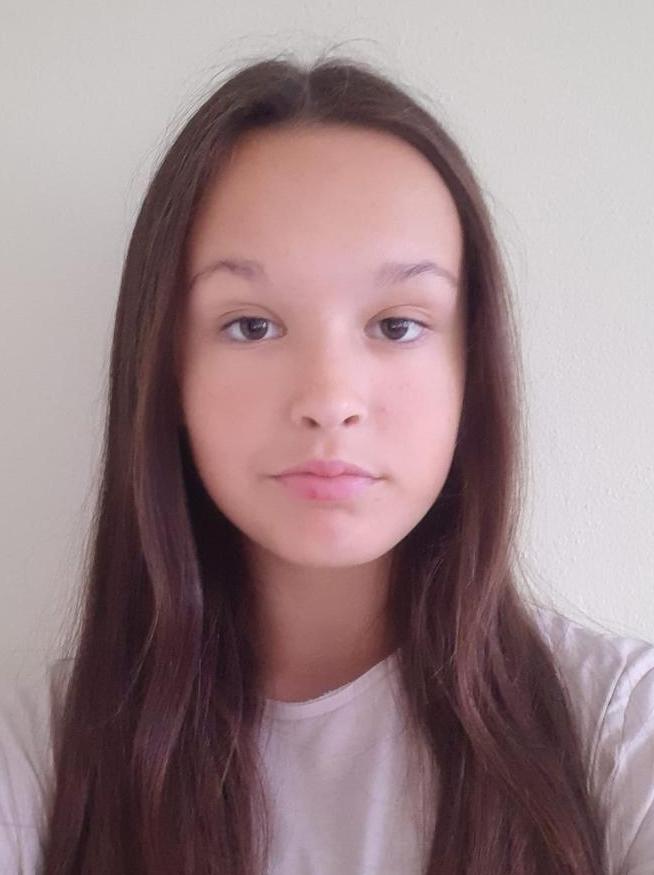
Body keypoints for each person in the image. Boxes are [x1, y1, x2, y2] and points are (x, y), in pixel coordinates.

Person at [1, 51, 652, 875]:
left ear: (472, 370)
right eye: (251, 325)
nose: (329, 398)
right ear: (166, 369)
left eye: (397, 325)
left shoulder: (618, 729)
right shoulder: (44, 761)